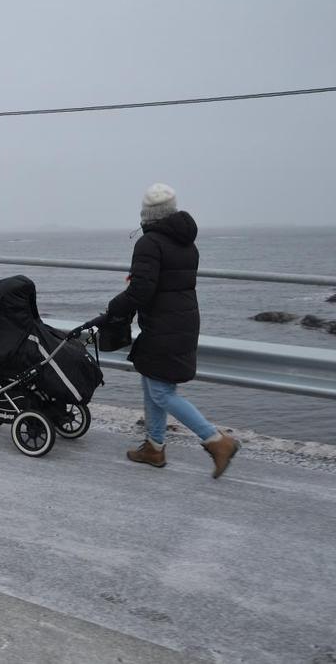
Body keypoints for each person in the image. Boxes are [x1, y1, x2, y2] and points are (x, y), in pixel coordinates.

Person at [88, 184, 240, 478]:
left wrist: (113, 308)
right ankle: (154, 448)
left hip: (163, 325)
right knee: (152, 384)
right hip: (181, 321)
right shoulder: (186, 242)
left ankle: (217, 441)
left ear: (147, 215)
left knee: (161, 391)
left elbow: (142, 290)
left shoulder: (150, 243)